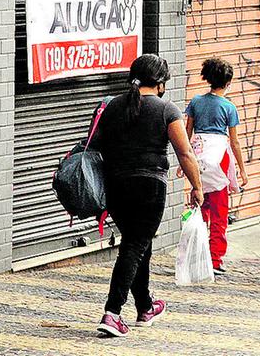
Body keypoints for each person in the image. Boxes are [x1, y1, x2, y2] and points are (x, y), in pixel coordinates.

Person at [91, 54, 204, 338]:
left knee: (139, 244)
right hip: (149, 187)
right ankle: (112, 312)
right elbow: (185, 152)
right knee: (134, 245)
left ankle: (145, 306)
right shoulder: (167, 110)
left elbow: (98, 145)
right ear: (161, 83)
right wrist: (197, 186)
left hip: (116, 187)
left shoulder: (112, 106)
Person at [182, 57, 249, 276]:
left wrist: (184, 163)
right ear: (228, 82)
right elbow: (235, 142)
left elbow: (186, 134)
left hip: (197, 158)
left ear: (207, 78)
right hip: (219, 159)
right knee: (220, 212)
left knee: (200, 209)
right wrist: (242, 169)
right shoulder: (229, 107)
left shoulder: (195, 101)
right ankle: (215, 259)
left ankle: (196, 256)